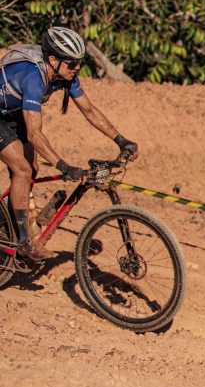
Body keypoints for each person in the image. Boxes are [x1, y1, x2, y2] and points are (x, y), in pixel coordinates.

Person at [0, 25, 138, 260]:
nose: (77, 68)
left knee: (33, 169)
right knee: (22, 169)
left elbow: (89, 110)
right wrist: (62, 165)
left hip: (11, 112)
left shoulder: (65, 75)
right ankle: (24, 240)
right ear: (53, 60)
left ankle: (10, 217)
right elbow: (34, 134)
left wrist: (121, 140)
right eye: (72, 63)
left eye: (80, 63)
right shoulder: (33, 78)